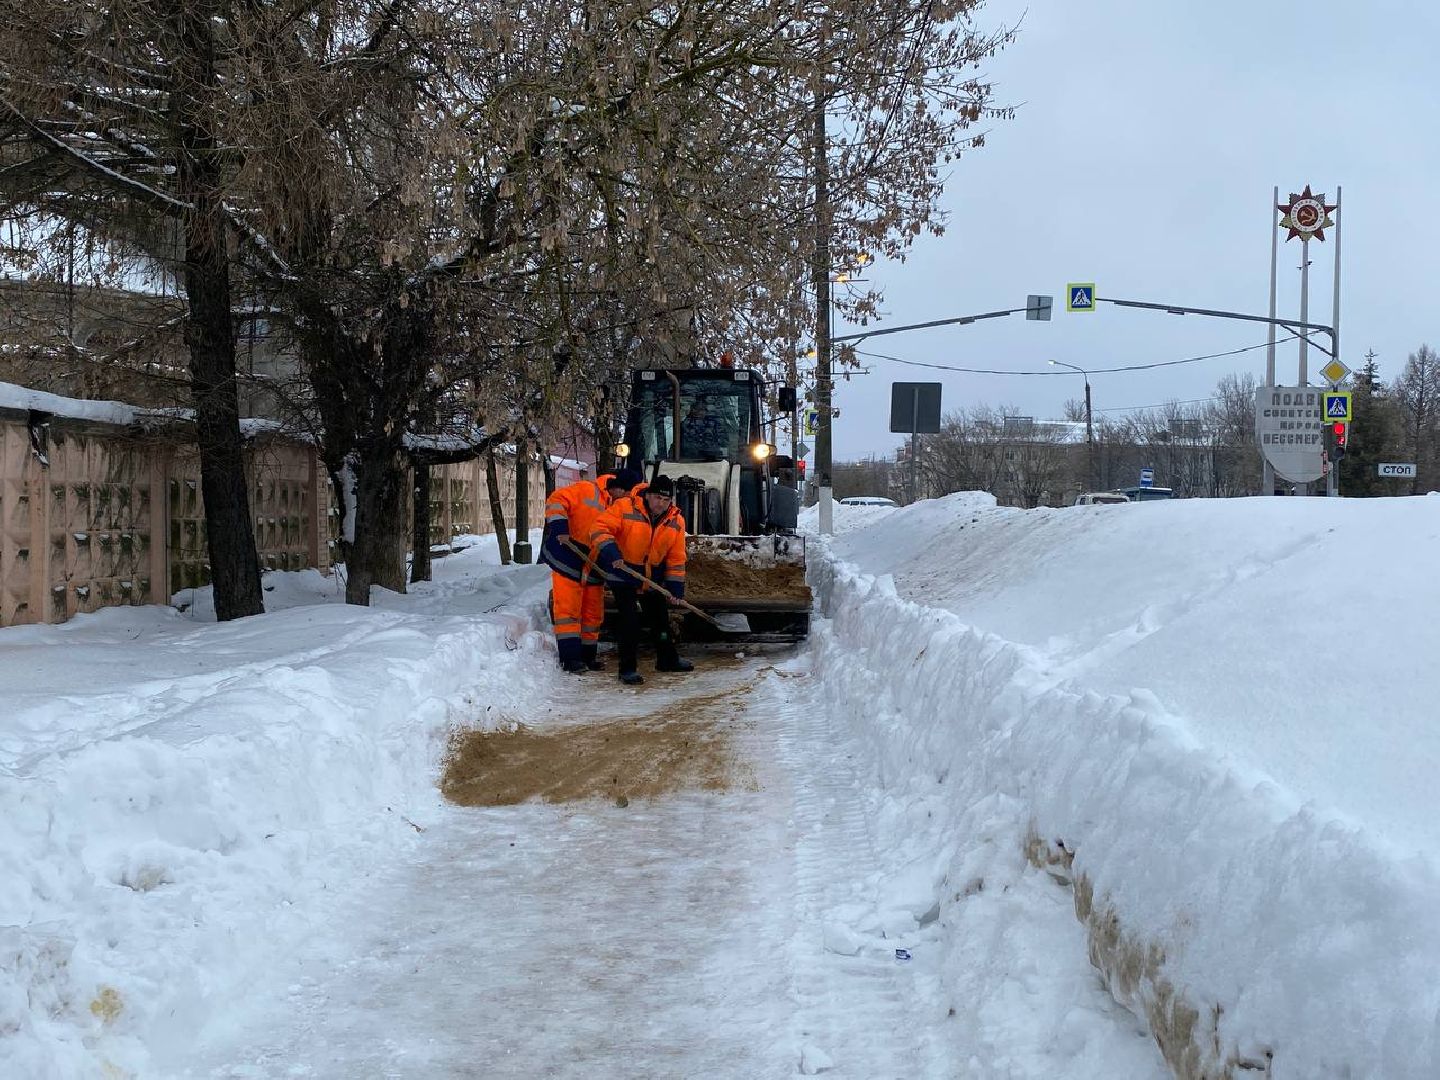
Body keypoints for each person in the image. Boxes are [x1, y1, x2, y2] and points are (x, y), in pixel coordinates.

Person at [589, 473, 694, 685]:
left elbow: (676, 557)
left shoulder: (676, 520)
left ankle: (667, 659)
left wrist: (675, 588)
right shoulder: (625, 507)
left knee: (660, 621)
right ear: (648, 495)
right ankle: (627, 669)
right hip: (624, 572)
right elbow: (599, 529)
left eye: (666, 500)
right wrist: (611, 553)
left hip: (652, 576)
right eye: (657, 498)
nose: (661, 504)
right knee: (630, 622)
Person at [540, 467, 643, 673]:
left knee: (592, 613)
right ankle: (570, 659)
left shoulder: (621, 506)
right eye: (626, 494)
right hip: (567, 558)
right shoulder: (586, 490)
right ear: (618, 488)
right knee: (568, 612)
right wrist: (560, 528)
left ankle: (588, 657)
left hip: (594, 565)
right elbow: (556, 500)